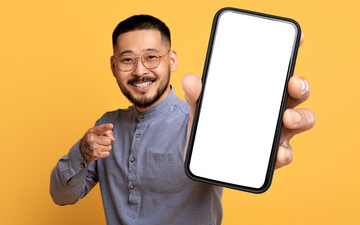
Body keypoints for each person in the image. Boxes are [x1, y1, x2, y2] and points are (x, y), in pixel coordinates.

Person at [50, 15, 316, 224]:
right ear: (113, 66)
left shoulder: (201, 121)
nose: (140, 70)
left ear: (172, 60)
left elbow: (235, 160)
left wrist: (257, 152)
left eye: (151, 57)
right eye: (127, 60)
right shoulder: (107, 126)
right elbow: (61, 196)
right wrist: (82, 153)